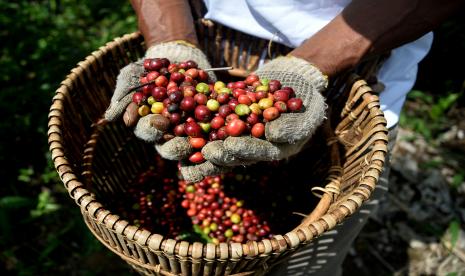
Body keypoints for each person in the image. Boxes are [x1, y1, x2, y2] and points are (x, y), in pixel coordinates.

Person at [104, 0, 464, 274]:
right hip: (206, 36)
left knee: (308, 262)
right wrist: (170, 40)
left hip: (358, 71)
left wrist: (307, 67)